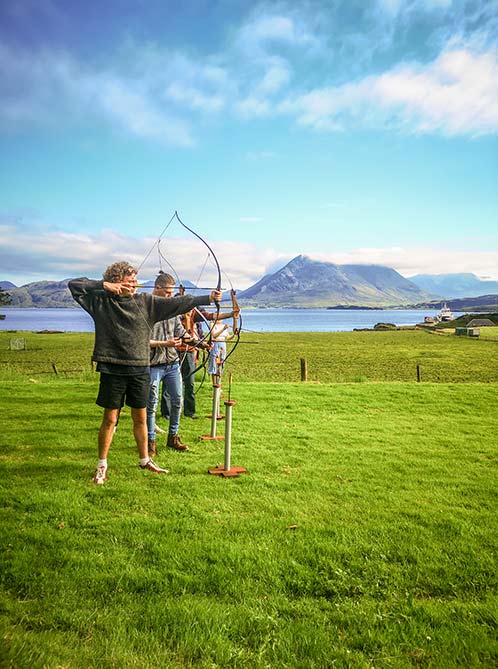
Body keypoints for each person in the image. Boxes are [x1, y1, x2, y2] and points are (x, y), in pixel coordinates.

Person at [68, 261, 221, 485]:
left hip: (140, 366)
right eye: (128, 281)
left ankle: (144, 459)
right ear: (115, 281)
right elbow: (75, 285)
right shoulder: (99, 300)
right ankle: (102, 465)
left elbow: (179, 303)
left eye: (134, 281)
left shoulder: (145, 302)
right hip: (113, 367)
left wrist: (207, 299)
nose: (133, 285)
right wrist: (104, 286)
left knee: (141, 417)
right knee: (110, 418)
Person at [147, 273, 200, 455]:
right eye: (168, 293)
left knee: (178, 400)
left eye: (172, 293)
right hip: (153, 364)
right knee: (151, 403)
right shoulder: (146, 308)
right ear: (157, 289)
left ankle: (173, 437)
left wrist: (198, 342)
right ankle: (150, 441)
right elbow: (141, 341)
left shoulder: (171, 312)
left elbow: (181, 332)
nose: (171, 296)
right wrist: (166, 344)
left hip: (172, 364)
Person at [161, 305, 239, 420]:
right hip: (172, 351)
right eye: (186, 308)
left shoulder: (193, 315)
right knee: (168, 383)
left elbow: (210, 316)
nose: (190, 311)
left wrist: (231, 314)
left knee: (190, 382)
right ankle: (166, 413)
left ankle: (189, 412)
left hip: (189, 351)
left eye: (191, 308)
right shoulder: (172, 316)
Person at [208, 320, 234, 386]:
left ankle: (219, 382)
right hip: (215, 344)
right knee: (214, 362)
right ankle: (214, 384)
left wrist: (235, 334)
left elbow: (228, 337)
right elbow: (214, 335)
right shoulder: (212, 324)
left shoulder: (223, 325)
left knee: (221, 363)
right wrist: (223, 329)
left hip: (223, 344)